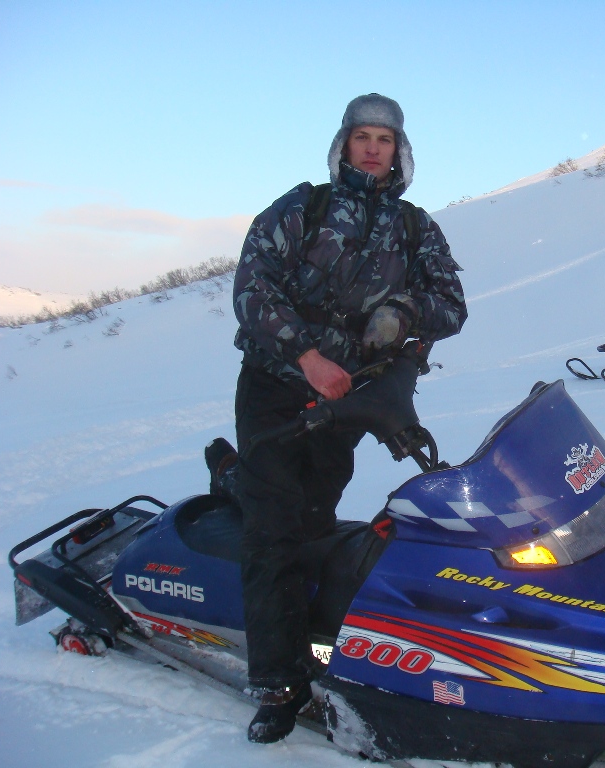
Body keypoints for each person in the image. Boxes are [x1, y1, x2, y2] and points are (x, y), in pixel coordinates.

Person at [224, 93, 467, 744]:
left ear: (399, 151)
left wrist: (404, 313)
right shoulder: (302, 209)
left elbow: (452, 304)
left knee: (313, 519)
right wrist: (306, 357)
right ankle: (277, 683)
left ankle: (312, 632)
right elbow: (252, 289)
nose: (372, 148)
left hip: (348, 399)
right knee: (273, 531)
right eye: (363, 136)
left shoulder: (415, 227)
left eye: (384, 139)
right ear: (344, 144)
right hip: (277, 388)